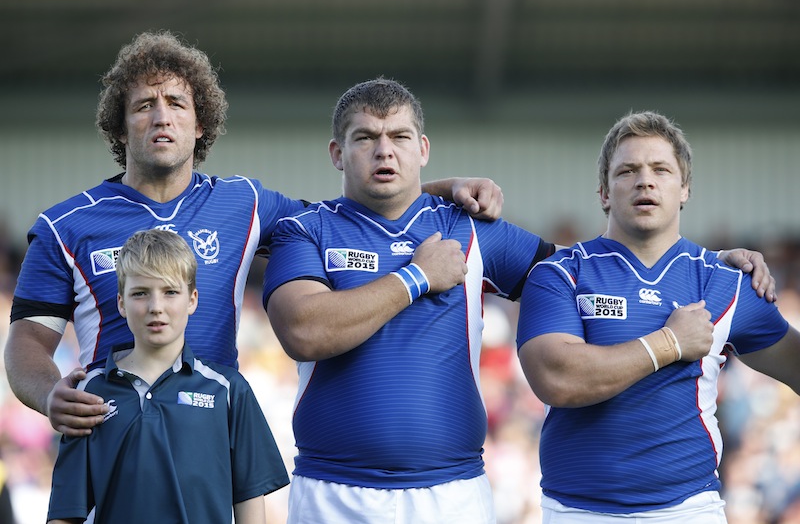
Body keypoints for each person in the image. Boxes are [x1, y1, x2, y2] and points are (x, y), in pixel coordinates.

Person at [260, 80, 773, 524]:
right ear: (337, 153)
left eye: (398, 138)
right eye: (365, 139)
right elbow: (305, 332)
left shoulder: (470, 230)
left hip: (453, 493)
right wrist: (417, 276)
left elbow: (594, 268)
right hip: (331, 490)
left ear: (423, 149)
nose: (384, 152)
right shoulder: (304, 230)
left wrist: (705, 260)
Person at [3, 29, 505, 438]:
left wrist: (445, 187)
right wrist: (50, 394)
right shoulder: (66, 225)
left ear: (201, 124)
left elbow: (349, 214)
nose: (162, 116)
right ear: (119, 126)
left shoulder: (244, 203)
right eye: (144, 105)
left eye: (177, 103)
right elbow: (27, 342)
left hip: (214, 444)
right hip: (109, 441)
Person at [516, 111, 800, 523]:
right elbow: (558, 379)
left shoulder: (726, 283)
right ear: (604, 193)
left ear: (684, 189)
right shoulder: (560, 274)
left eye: (661, 170)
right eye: (627, 171)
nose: (644, 181)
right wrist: (669, 344)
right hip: (576, 511)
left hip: (688, 511)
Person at [46, 229, 290, 524]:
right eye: (140, 293)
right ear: (121, 303)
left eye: (170, 292)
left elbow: (250, 502)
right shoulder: (89, 393)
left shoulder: (228, 390)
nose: (156, 307)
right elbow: (65, 512)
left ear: (192, 299)